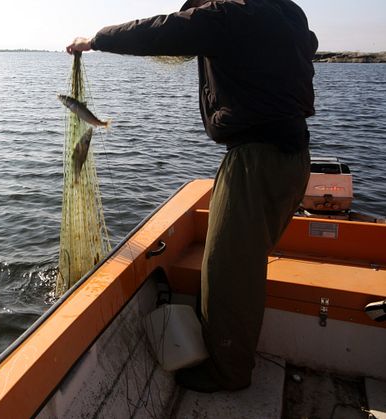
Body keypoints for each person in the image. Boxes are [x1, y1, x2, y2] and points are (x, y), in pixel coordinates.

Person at [67, 0, 317, 393]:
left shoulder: (231, 14)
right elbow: (303, 48)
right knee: (239, 260)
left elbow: (160, 29)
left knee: (228, 271)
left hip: (257, 161)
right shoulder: (287, 16)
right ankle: (222, 345)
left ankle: (229, 371)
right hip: (293, 158)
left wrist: (94, 40)